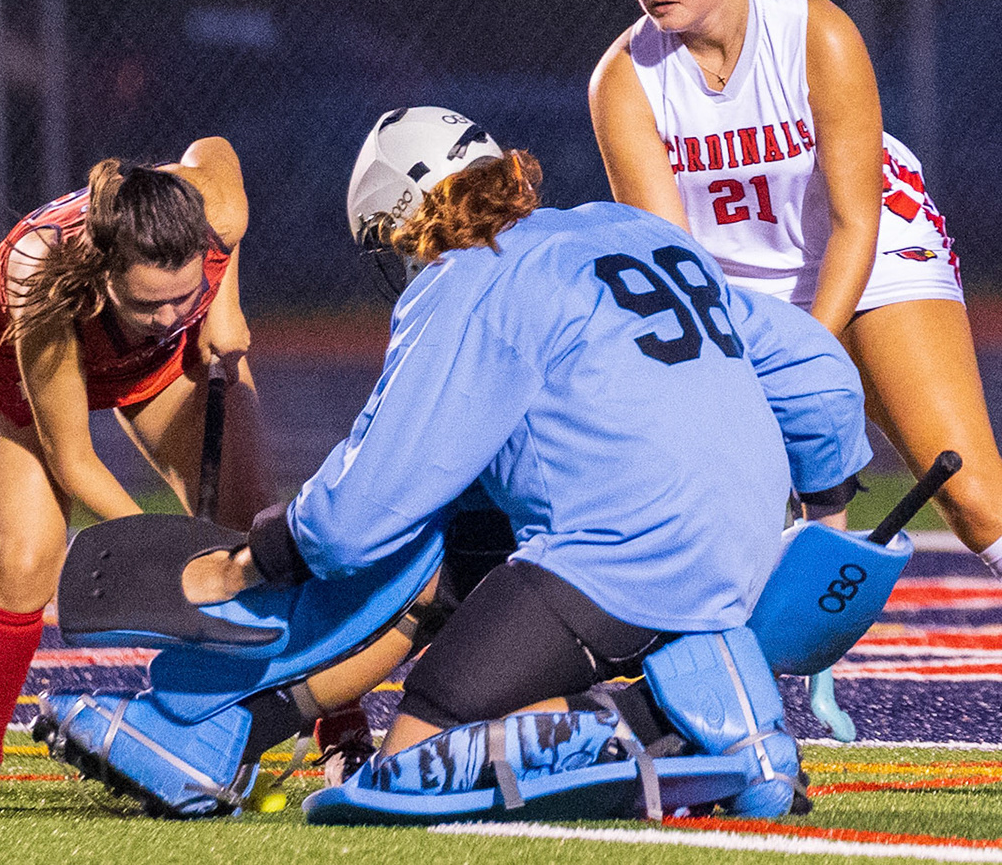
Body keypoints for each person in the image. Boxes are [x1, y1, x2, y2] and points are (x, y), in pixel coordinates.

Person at [176, 106, 868, 811]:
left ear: (406, 218)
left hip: (613, 559)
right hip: (747, 549)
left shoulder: (469, 277)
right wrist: (826, 518)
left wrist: (265, 553)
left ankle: (663, 727)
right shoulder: (634, 229)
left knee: (406, 774)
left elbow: (362, 514)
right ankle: (711, 683)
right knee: (456, 542)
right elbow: (821, 376)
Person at [589, 0, 1002, 570]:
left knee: (975, 497)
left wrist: (806, 361)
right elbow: (674, 266)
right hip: (734, 285)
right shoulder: (624, 80)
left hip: (871, 246)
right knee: (695, 508)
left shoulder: (816, 32)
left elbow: (854, 222)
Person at [0, 140, 269, 813]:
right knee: (25, 558)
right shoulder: (43, 278)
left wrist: (222, 302)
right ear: (104, 273)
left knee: (255, 529)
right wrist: (167, 554)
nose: (169, 315)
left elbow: (215, 150)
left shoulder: (218, 211)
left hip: (155, 364)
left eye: (184, 296)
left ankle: (343, 737)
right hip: (18, 364)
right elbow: (74, 459)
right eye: (148, 304)